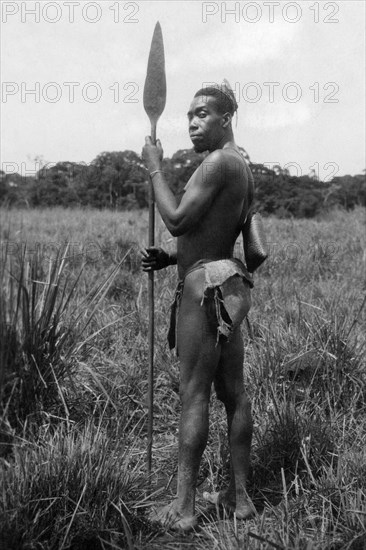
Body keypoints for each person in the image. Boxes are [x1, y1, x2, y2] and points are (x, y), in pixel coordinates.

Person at [141, 81, 256, 531]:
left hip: (201, 289)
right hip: (228, 285)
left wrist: (154, 169)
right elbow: (212, 230)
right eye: (189, 114)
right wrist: (170, 254)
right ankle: (241, 499)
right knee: (234, 393)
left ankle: (184, 508)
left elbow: (177, 218)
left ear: (226, 118)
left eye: (202, 113)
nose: (192, 122)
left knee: (194, 394)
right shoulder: (242, 165)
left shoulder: (215, 164)